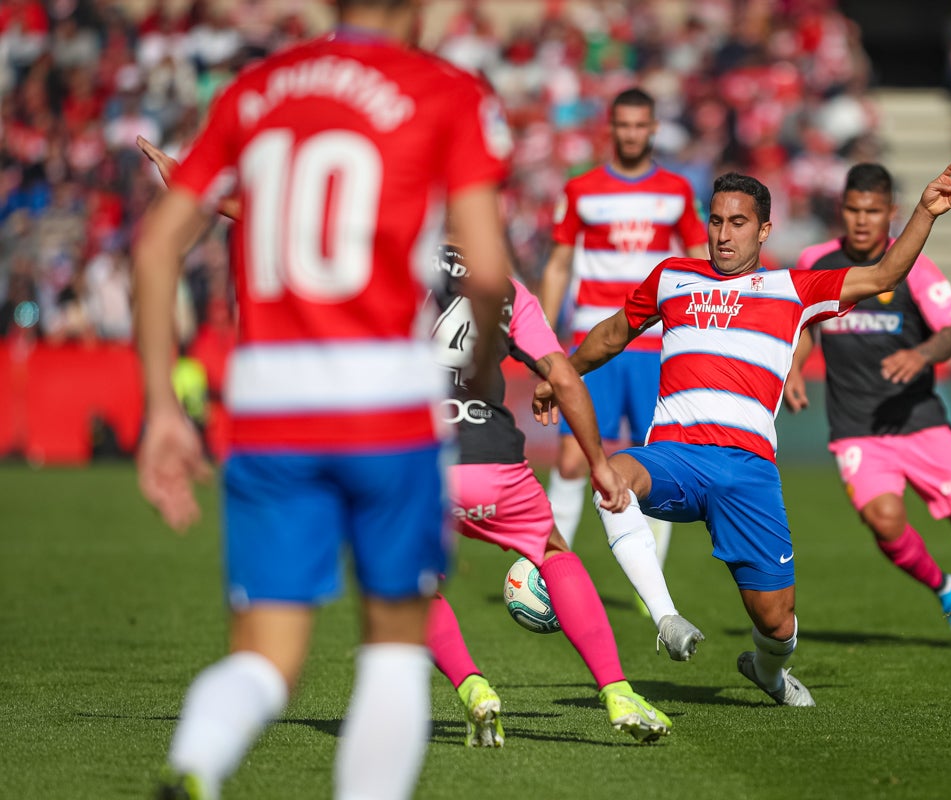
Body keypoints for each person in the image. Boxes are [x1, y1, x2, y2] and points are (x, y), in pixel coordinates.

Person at [131, 2, 514, 798]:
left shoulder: (257, 90)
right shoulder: (445, 90)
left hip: (272, 407)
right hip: (388, 405)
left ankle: (199, 759)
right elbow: (484, 269)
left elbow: (158, 242)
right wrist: (480, 374)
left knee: (265, 657)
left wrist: (163, 409)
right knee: (393, 650)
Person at [533, 161, 951, 707]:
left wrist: (924, 214)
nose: (723, 234)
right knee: (611, 476)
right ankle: (665, 615)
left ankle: (768, 672)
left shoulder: (793, 289)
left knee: (777, 622)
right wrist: (564, 372)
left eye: (738, 222)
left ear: (763, 230)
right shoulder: (672, 276)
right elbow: (614, 332)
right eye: (716, 221)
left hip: (748, 473)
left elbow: (884, 276)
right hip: (675, 455)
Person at [425, 244, 672, 745]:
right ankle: (617, 690)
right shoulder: (507, 289)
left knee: (414, 583)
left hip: (413, 460)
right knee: (552, 550)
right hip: (490, 457)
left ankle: (472, 687)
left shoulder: (386, 266)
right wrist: (599, 464)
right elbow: (562, 377)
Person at [784, 163, 951, 651]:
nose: (861, 220)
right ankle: (946, 589)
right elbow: (805, 327)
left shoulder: (915, 265)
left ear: (890, 212)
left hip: (919, 421)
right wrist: (793, 369)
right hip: (856, 427)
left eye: (872, 211)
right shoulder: (818, 260)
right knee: (884, 521)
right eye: (853, 209)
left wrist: (921, 353)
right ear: (842, 209)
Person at [537, 87, 709, 584]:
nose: (632, 134)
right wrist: (544, 337)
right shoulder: (581, 189)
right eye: (624, 125)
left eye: (640, 125)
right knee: (571, 460)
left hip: (655, 345)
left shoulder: (677, 191)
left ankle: (647, 577)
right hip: (593, 343)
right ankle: (551, 572)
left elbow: (698, 258)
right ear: (610, 129)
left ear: (653, 129)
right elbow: (559, 264)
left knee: (656, 461)